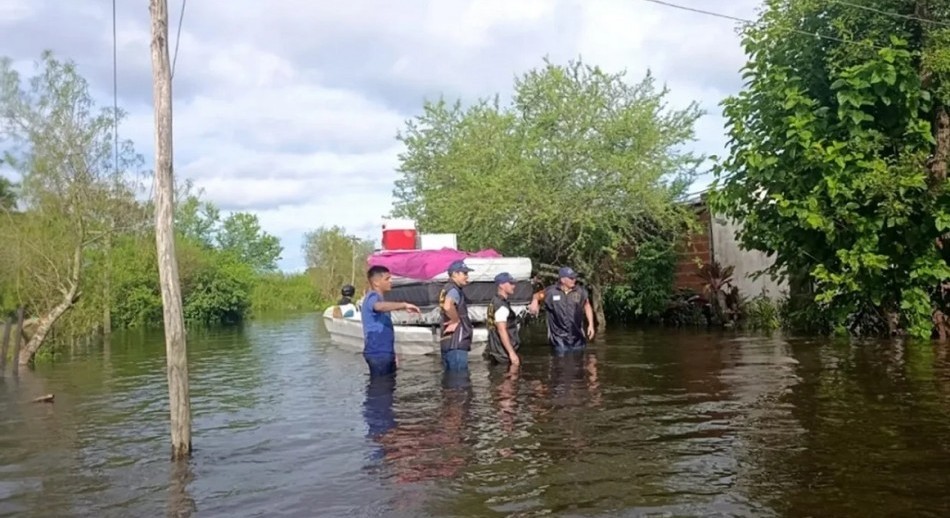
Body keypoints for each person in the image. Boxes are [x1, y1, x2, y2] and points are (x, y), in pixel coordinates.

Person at [361, 265, 421, 376]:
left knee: (388, 388)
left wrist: (393, 354)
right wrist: (403, 305)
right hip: (378, 353)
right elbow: (378, 307)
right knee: (381, 389)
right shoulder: (372, 296)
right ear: (376, 282)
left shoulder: (381, 299)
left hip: (385, 352)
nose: (391, 281)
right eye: (387, 279)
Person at [528, 266, 595, 354]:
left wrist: (591, 325)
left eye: (574, 277)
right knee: (560, 364)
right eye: (571, 278)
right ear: (563, 280)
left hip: (577, 339)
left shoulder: (580, 291)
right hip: (559, 340)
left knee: (579, 364)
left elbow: (587, 305)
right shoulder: (551, 291)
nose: (574, 280)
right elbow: (536, 296)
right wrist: (535, 302)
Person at [438, 259, 474, 371]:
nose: (467, 277)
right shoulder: (454, 290)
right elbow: (448, 306)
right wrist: (455, 320)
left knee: (450, 381)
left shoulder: (446, 288)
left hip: (447, 341)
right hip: (457, 343)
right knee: (460, 381)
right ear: (454, 274)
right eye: (465, 273)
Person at [483, 272, 521, 367]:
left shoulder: (494, 301)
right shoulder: (501, 306)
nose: (514, 286)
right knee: (509, 380)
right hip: (503, 353)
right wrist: (511, 353)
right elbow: (502, 330)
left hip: (495, 350)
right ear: (501, 285)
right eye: (510, 283)